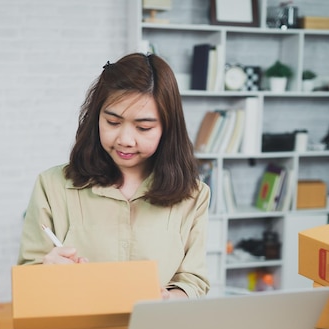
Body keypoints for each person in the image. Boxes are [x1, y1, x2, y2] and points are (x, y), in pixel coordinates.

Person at [17, 52, 210, 299]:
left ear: (167, 128)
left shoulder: (194, 195)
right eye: (112, 122)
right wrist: (46, 271)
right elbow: (27, 281)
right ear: (96, 118)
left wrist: (169, 299)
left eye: (143, 128)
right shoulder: (52, 186)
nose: (125, 140)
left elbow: (193, 280)